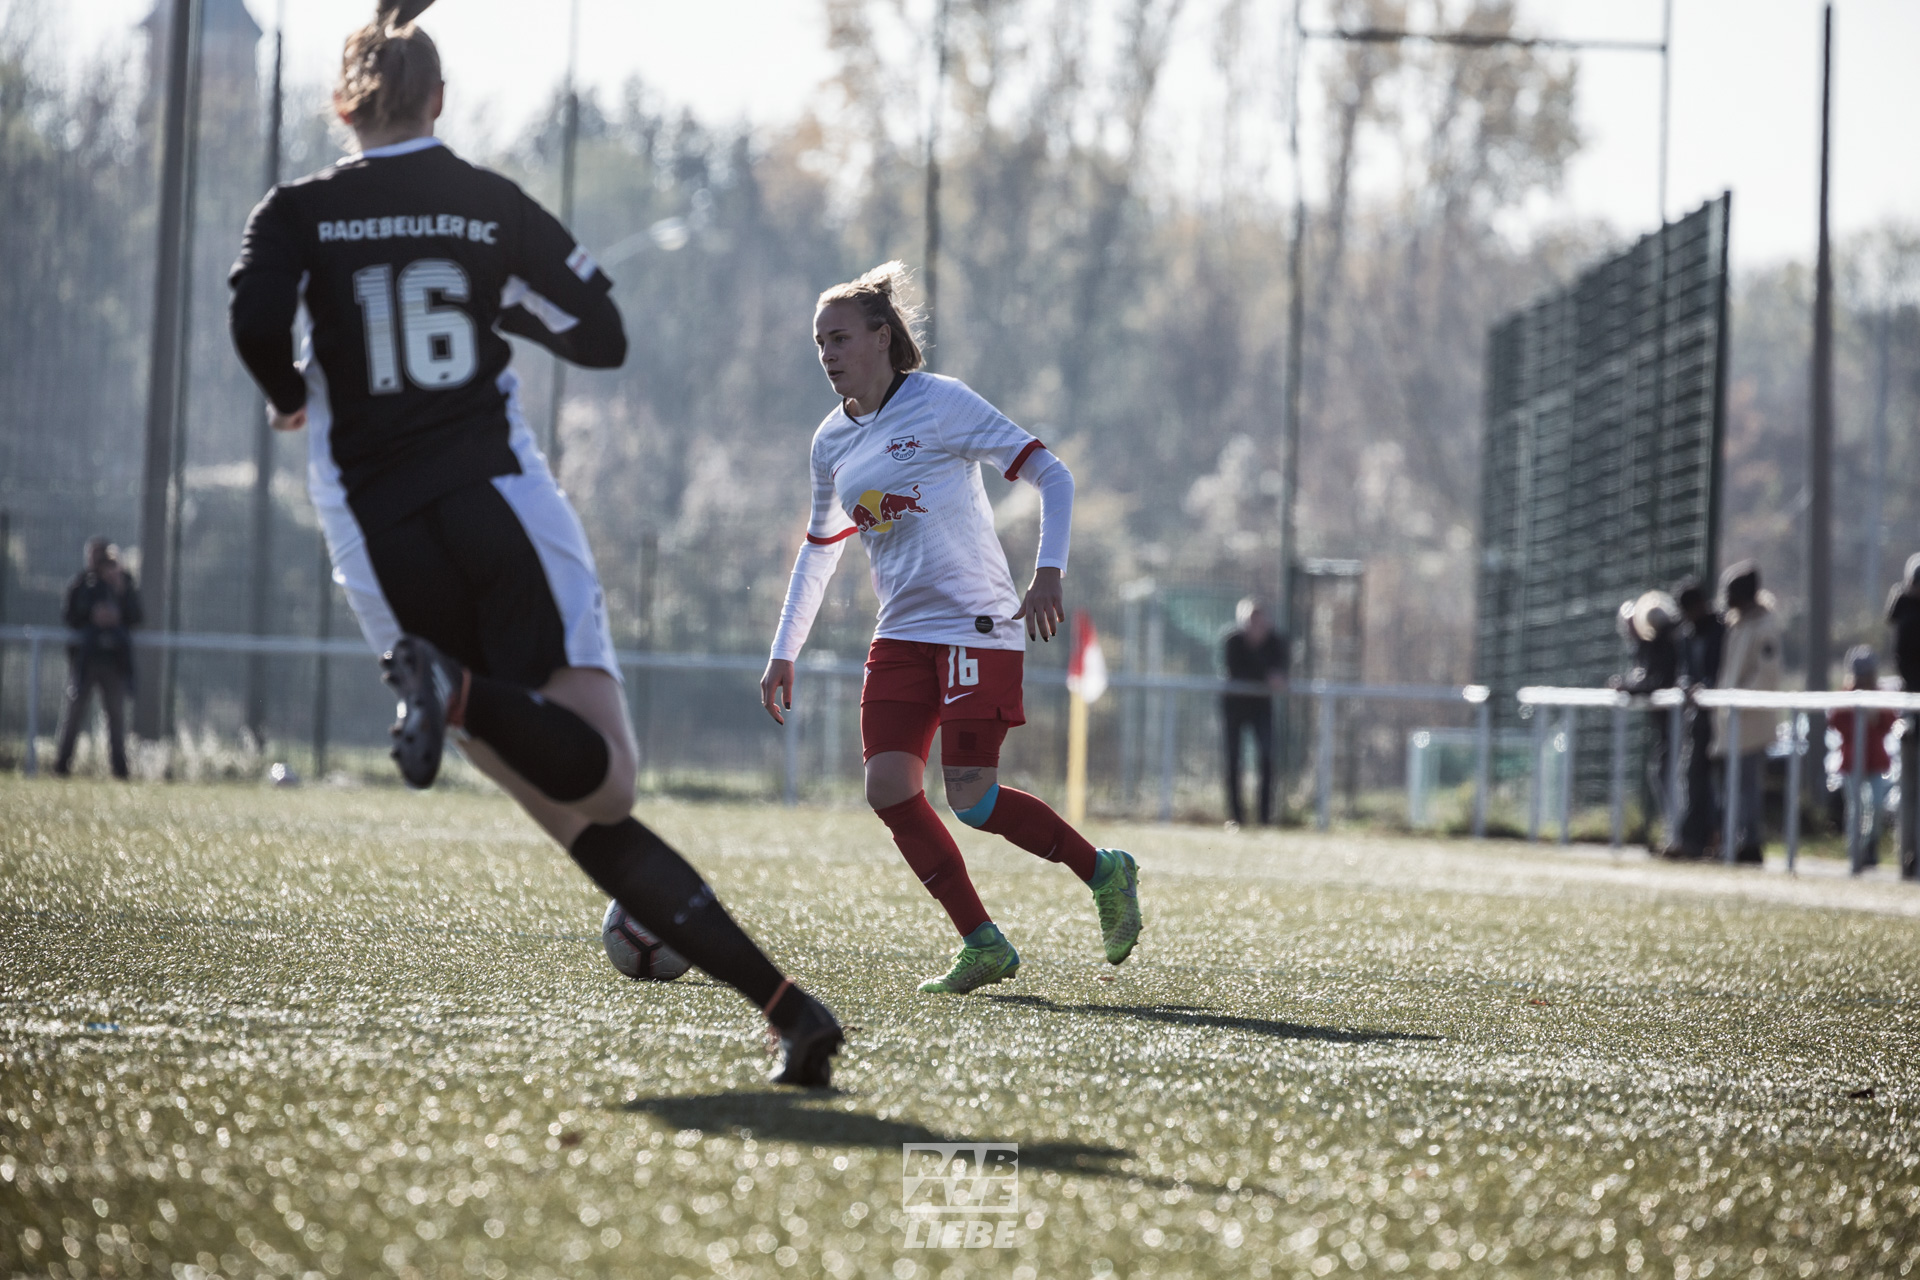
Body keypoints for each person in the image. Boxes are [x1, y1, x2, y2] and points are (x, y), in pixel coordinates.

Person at [227, 0, 841, 1087]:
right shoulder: (485, 203)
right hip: (498, 497)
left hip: (375, 526)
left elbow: (254, 317)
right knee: (603, 784)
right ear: (440, 101)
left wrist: (286, 392)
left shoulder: (296, 211)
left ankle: (791, 1010)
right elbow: (601, 336)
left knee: (572, 813)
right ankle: (457, 692)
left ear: (346, 102)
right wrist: (502, 310)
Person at [759, 262, 1142, 995]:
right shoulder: (829, 443)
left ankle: (1104, 872)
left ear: (881, 337)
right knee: (888, 787)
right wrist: (784, 650)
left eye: (839, 338)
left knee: (972, 799)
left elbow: (1051, 474)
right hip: (901, 633)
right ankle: (983, 942)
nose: (827, 355)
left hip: (975, 625)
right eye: (818, 343)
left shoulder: (940, 404)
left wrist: (1050, 572)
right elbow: (818, 552)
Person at [51, 537, 143, 779]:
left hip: (114, 663)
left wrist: (118, 607)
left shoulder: (123, 584)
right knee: (74, 714)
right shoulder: (83, 585)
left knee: (116, 718)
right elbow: (70, 615)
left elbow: (136, 617)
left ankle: (120, 770)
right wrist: (92, 615)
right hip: (86, 661)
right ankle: (61, 766)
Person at [1711, 561, 1781, 864]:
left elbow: (1766, 676)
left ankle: (1750, 843)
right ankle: (1734, 838)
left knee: (1748, 787)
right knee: (1734, 787)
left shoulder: (1764, 628)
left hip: (1751, 722)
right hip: (1733, 721)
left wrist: (1739, 700)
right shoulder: (1738, 625)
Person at [1610, 590, 1679, 852]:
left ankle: (1679, 834)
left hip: (1680, 723)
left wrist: (1629, 688)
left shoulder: (1662, 642)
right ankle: (1674, 833)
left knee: (1667, 774)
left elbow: (1655, 680)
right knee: (1663, 773)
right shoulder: (1649, 644)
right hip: (1668, 724)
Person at [1220, 598, 1288, 828]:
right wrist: (1266, 676)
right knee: (1233, 761)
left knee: (1267, 758)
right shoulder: (1233, 641)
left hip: (1261, 708)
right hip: (1234, 708)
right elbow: (1237, 670)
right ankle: (1236, 818)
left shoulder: (1275, 642)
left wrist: (1272, 676)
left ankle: (1265, 818)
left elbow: (1281, 672)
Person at [1671, 580, 1726, 859]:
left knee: (1722, 782)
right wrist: (1687, 687)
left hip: (1723, 718)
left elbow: (1722, 669)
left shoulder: (1722, 630)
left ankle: (1720, 839)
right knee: (1692, 777)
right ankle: (1691, 841)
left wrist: (1706, 686)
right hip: (1698, 719)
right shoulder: (1686, 634)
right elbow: (1683, 673)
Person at [1830, 646, 1895, 871]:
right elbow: (1836, 723)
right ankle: (1855, 852)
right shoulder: (1847, 698)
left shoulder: (1880, 697)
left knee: (1876, 806)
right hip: (1851, 763)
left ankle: (1870, 846)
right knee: (1855, 808)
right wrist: (1858, 717)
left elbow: (1889, 724)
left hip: (1875, 761)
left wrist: (1875, 717)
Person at [1885, 553, 1920, 880]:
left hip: (1910, 708)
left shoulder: (1902, 612)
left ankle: (1909, 856)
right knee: (1910, 791)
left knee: (1909, 792)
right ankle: (1911, 856)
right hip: (1913, 710)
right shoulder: (1908, 617)